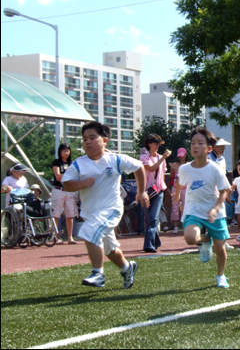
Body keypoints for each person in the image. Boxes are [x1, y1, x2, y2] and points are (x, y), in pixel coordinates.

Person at [62, 121, 148, 289]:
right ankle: (128, 268)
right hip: (90, 212)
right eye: (84, 138)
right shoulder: (79, 163)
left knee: (88, 231)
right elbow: (66, 184)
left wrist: (141, 191)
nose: (87, 142)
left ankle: (98, 274)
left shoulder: (115, 159)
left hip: (111, 209)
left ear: (105, 141)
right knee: (109, 249)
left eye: (92, 138)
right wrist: (83, 183)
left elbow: (139, 167)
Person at [173, 126, 232, 288]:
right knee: (190, 237)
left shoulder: (215, 169)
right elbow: (180, 182)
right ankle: (205, 241)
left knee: (220, 249)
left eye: (200, 143)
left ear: (209, 149)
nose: (195, 146)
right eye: (193, 143)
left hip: (215, 212)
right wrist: (177, 197)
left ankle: (221, 275)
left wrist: (215, 209)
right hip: (194, 209)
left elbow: (223, 192)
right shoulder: (185, 168)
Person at [140, 134, 171, 253]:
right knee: (148, 218)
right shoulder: (144, 157)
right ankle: (155, 241)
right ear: (149, 144)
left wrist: (166, 190)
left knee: (153, 218)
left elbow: (161, 176)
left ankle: (148, 245)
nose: (158, 145)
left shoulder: (160, 158)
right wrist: (163, 158)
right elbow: (151, 168)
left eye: (159, 143)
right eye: (156, 143)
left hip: (158, 191)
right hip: (146, 191)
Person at [208, 137, 234, 250]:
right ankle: (206, 243)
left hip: (220, 194)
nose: (224, 148)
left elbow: (223, 177)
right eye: (221, 146)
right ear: (214, 147)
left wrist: (227, 193)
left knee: (221, 217)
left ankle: (222, 241)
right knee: (208, 218)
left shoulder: (222, 159)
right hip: (209, 193)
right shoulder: (207, 158)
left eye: (224, 146)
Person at [51, 143, 79, 244]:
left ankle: (70, 237)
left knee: (70, 214)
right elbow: (58, 176)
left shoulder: (71, 163)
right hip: (59, 190)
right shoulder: (56, 162)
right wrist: (70, 175)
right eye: (64, 151)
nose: (66, 153)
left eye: (67, 151)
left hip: (69, 190)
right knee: (56, 214)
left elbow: (77, 176)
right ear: (60, 152)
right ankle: (55, 236)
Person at [169, 148, 188, 234]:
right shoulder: (175, 165)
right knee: (175, 206)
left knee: (185, 206)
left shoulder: (189, 165)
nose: (181, 158)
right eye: (179, 156)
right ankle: (175, 226)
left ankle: (184, 225)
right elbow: (170, 177)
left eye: (182, 156)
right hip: (175, 187)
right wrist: (172, 172)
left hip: (185, 187)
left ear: (185, 155)